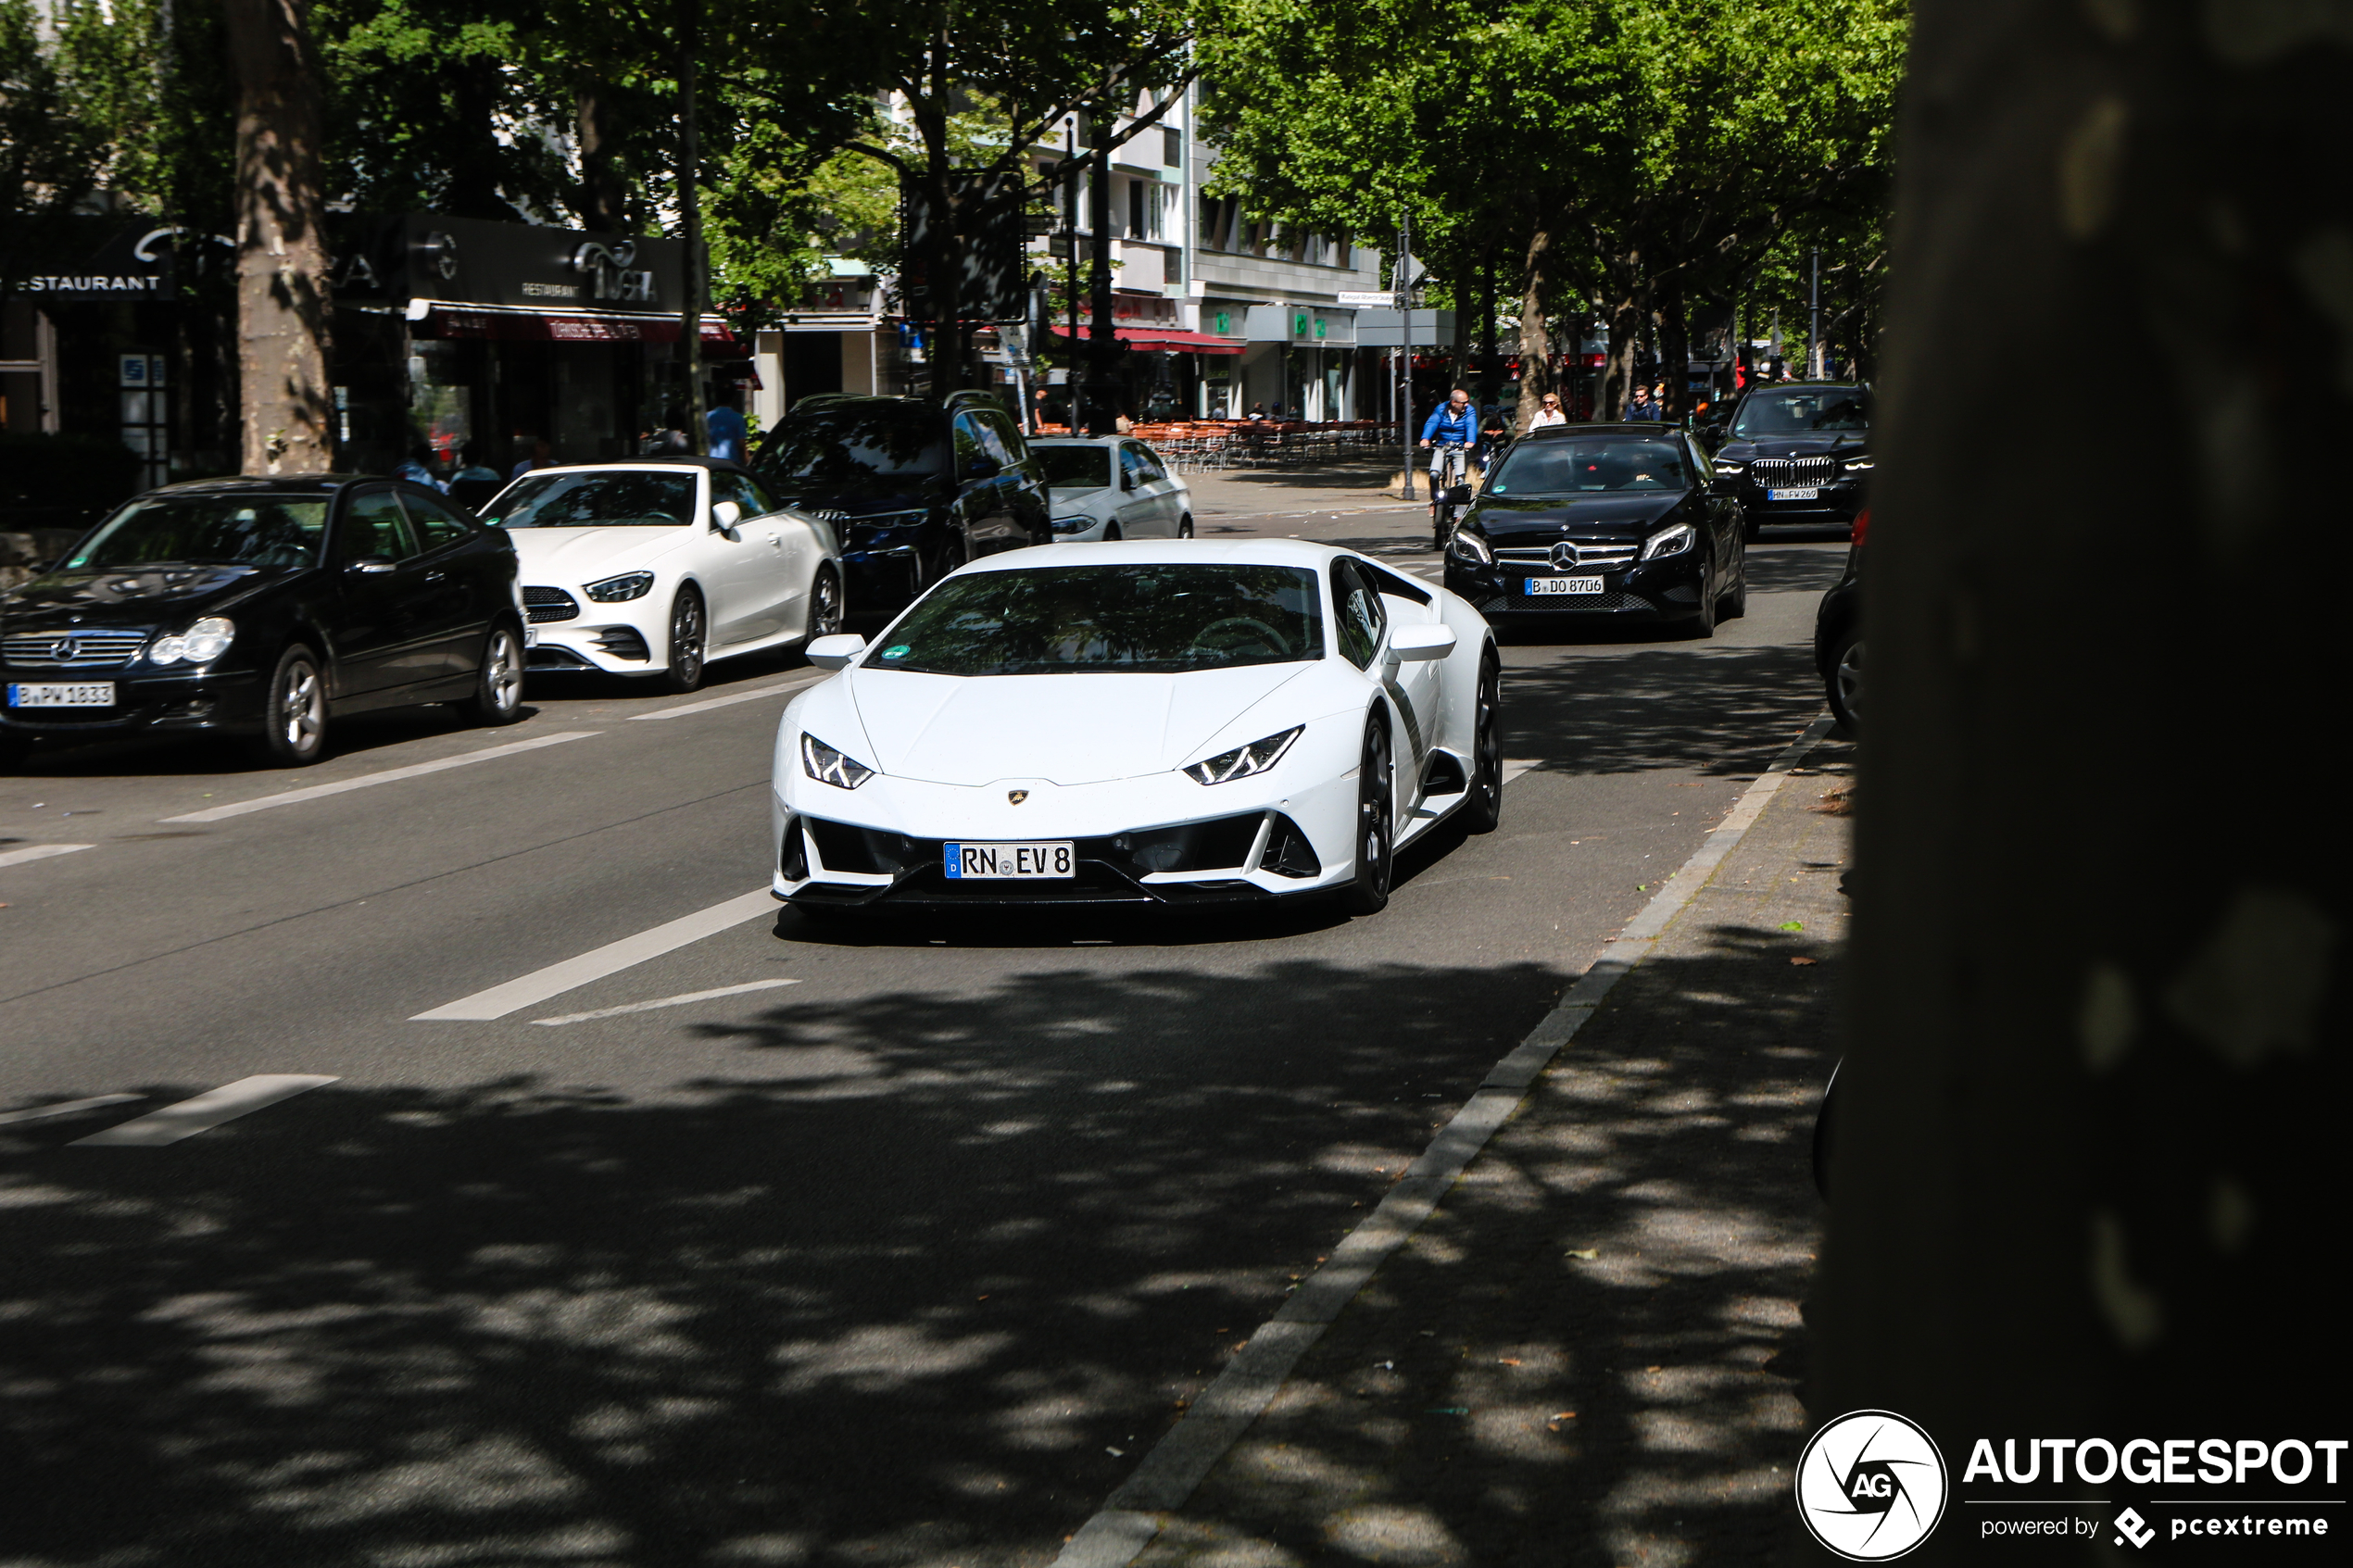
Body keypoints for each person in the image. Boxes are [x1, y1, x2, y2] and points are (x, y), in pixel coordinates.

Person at [446, 442, 504, 510]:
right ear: (481, 457)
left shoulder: (457, 478)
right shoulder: (493, 475)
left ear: (463, 458)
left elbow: (452, 499)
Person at [705, 397, 749, 462]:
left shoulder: (707, 416)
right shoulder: (738, 418)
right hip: (732, 461)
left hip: (711, 460)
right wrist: (746, 460)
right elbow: (741, 443)